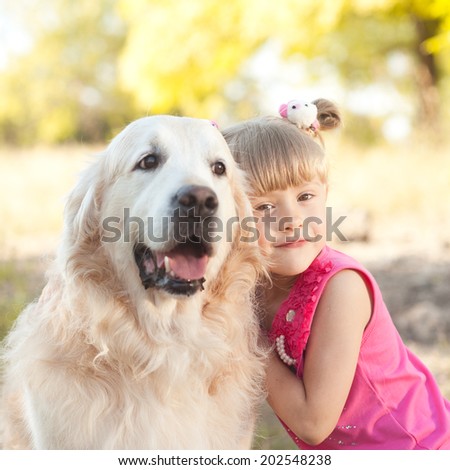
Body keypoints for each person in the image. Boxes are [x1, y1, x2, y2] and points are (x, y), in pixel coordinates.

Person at [222, 99, 450, 450]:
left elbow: (312, 422)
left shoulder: (341, 288)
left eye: (305, 196)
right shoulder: (248, 284)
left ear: (326, 194)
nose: (291, 219)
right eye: (263, 206)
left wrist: (241, 333)